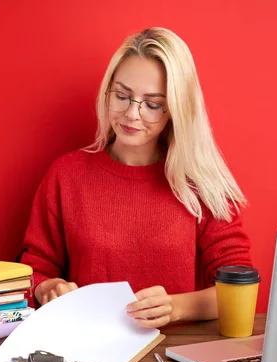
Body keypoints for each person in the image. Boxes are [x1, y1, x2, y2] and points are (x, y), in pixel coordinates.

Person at [20, 27, 252, 328]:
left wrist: (177, 307)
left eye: (153, 105)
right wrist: (47, 288)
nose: (132, 114)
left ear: (175, 110)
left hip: (178, 358)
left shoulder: (200, 182)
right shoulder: (66, 175)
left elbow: (240, 288)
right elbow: (32, 272)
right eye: (122, 96)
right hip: (90, 351)